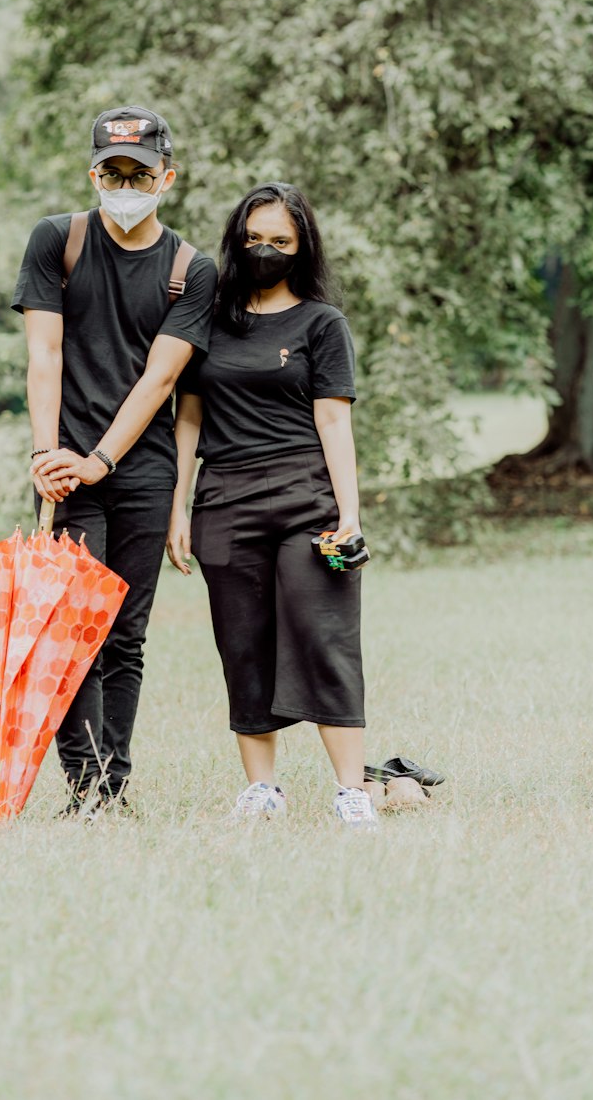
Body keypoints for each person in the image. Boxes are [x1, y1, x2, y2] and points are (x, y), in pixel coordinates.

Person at [12, 107, 217, 814]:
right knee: (74, 634)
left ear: (167, 175)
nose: (124, 184)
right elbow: (44, 351)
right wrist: (47, 453)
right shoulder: (56, 241)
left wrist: (101, 456)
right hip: (65, 470)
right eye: (111, 171)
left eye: (139, 172)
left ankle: (112, 786)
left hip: (142, 470)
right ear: (92, 172)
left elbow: (161, 379)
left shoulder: (192, 270)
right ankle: (84, 789)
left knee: (125, 634)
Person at [166, 182, 378, 830]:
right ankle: (263, 790)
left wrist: (350, 513)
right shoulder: (208, 321)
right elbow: (188, 421)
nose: (265, 249)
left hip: (304, 497)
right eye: (254, 237)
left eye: (280, 240)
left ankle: (351, 791)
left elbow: (334, 422)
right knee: (242, 643)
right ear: (236, 240)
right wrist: (178, 508)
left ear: (301, 246)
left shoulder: (322, 323)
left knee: (325, 636)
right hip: (224, 500)